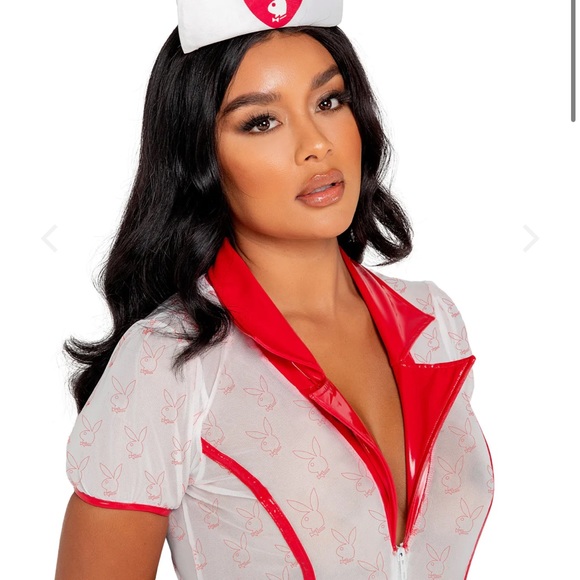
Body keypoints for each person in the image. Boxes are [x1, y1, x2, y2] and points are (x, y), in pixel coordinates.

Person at [55, 1, 493, 578]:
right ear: (201, 157)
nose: (316, 144)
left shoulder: (433, 320)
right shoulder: (169, 361)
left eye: (328, 101)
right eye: (261, 121)